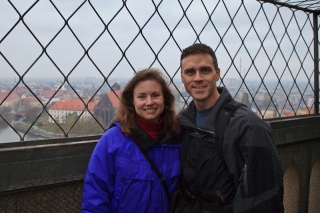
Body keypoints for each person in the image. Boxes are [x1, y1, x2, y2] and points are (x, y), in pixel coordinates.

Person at [170, 43, 284, 213]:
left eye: (205, 70)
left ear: (217, 74)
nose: (198, 78)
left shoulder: (249, 126)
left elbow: (262, 199)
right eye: (190, 72)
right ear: (182, 77)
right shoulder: (182, 122)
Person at [82, 68, 181, 213]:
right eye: (141, 97)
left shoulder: (177, 136)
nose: (149, 102)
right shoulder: (112, 141)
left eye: (155, 95)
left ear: (165, 99)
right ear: (132, 102)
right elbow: (95, 198)